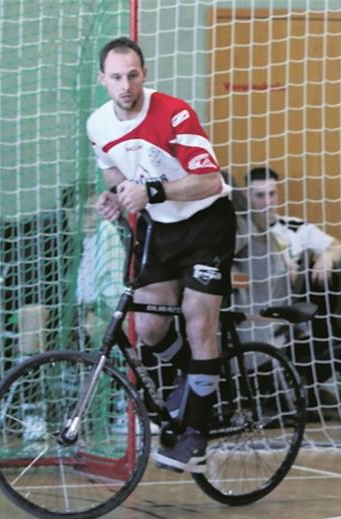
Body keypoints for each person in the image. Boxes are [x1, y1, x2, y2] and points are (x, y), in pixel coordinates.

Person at [87, 37, 236, 473]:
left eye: (133, 75)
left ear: (144, 74)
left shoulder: (174, 112)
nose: (125, 85)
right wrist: (115, 195)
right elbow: (112, 168)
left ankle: (196, 435)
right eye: (116, 77)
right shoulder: (97, 124)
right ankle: (200, 381)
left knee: (197, 318)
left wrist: (150, 190)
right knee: (149, 325)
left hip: (207, 223)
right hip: (161, 228)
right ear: (103, 80)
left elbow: (209, 181)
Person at [234, 166, 341, 411]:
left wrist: (326, 257)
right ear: (247, 196)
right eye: (259, 196)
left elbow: (336, 245)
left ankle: (310, 341)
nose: (267, 202)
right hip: (252, 307)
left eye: (272, 194)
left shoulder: (294, 228)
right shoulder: (240, 232)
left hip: (290, 305)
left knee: (327, 274)